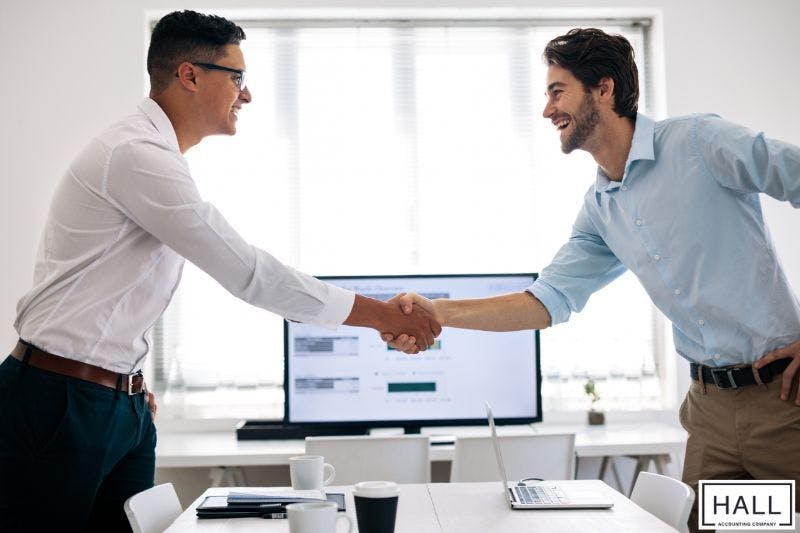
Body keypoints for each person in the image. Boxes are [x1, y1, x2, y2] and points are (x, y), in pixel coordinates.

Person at [0, 10, 439, 532]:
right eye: (238, 77)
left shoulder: (157, 158)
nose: (246, 95)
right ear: (189, 75)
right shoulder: (136, 155)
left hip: (116, 402)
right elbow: (246, 271)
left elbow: (115, 297)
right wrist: (380, 316)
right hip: (60, 401)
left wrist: (126, 381)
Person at [385, 27, 800, 532]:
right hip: (710, 413)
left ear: (603, 89)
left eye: (558, 91)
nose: (547, 110)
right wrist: (440, 312)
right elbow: (548, 300)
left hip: (783, 402)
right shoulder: (602, 208)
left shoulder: (699, 142)